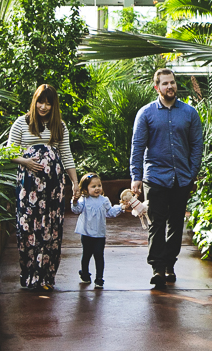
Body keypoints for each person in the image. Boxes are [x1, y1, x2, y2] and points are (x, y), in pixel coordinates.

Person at [130, 68, 203, 288]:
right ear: (157, 87)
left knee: (176, 223)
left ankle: (170, 263)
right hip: (156, 177)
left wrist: (192, 172)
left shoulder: (189, 113)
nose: (169, 86)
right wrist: (136, 176)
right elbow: (137, 146)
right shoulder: (146, 113)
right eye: (164, 83)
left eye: (172, 83)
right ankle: (157, 268)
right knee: (157, 223)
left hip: (182, 178)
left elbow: (197, 145)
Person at [7, 84, 79, 291]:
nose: (44, 106)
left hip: (53, 187)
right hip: (28, 187)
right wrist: (26, 162)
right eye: (40, 101)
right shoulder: (22, 123)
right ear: (34, 101)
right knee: (28, 226)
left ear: (53, 105)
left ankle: (46, 276)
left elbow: (67, 156)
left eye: (48, 103)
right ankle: (30, 274)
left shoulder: (59, 126)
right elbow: (8, 152)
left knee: (50, 226)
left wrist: (75, 182)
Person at [71, 172, 123, 288]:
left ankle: (99, 278)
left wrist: (121, 207)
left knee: (99, 255)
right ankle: (85, 273)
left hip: (99, 234)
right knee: (86, 255)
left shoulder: (104, 200)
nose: (97, 188)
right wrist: (74, 201)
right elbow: (77, 210)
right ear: (85, 188)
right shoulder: (84, 200)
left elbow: (110, 212)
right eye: (93, 186)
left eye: (99, 185)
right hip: (87, 233)